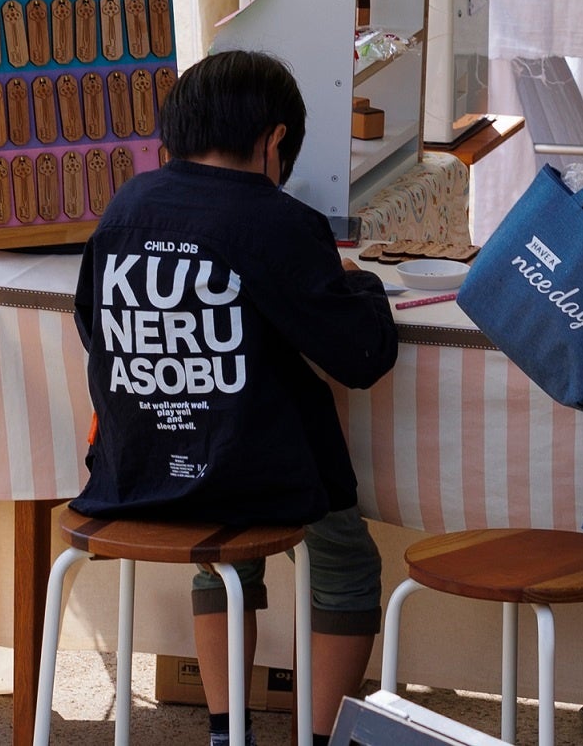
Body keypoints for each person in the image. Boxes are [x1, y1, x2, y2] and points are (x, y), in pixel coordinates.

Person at [72, 49, 397, 746]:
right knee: (344, 559)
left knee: (220, 553)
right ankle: (315, 737)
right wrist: (360, 286)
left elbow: (92, 327)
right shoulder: (276, 221)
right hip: (255, 472)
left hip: (146, 474)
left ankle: (227, 733)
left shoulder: (126, 206)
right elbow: (360, 356)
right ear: (275, 139)